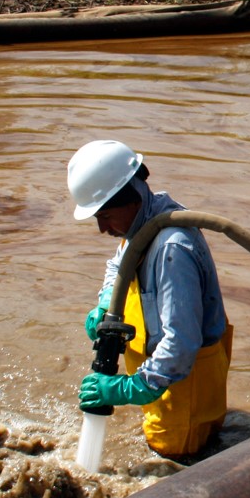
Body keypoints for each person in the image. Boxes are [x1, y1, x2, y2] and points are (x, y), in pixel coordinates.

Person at [66, 140, 232, 459]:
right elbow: (119, 264)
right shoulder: (144, 222)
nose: (102, 228)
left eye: (105, 216)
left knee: (176, 465)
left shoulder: (173, 248)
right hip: (167, 385)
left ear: (130, 198)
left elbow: (181, 343)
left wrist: (130, 389)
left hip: (184, 397)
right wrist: (104, 303)